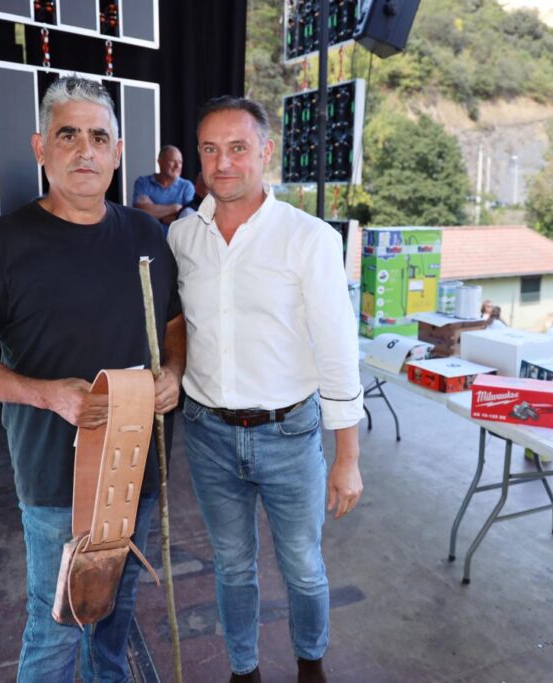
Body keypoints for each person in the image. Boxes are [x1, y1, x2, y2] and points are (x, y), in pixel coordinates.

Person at [0, 76, 186, 681]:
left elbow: (174, 323)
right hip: (56, 480)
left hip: (139, 467)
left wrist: (174, 371)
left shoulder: (146, 235)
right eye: (68, 135)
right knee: (56, 628)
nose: (85, 151)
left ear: (118, 153)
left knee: (115, 618)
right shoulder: (2, 243)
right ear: (40, 147)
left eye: (99, 137)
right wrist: (46, 394)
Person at [168, 96, 362, 683]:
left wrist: (347, 457)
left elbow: (336, 347)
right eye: (210, 149)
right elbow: (179, 326)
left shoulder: (309, 238)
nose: (223, 162)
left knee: (302, 565)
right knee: (231, 566)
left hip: (289, 434)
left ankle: (311, 665)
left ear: (266, 152)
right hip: (207, 434)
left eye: (238, 148)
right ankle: (244, 670)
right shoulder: (182, 237)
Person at [133, 144, 195, 233]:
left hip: (175, 240)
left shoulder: (187, 187)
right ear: (160, 161)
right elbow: (140, 212)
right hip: (146, 238)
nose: (177, 166)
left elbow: (190, 220)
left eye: (180, 162)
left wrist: (154, 213)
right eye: (172, 161)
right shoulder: (143, 182)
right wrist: (176, 208)